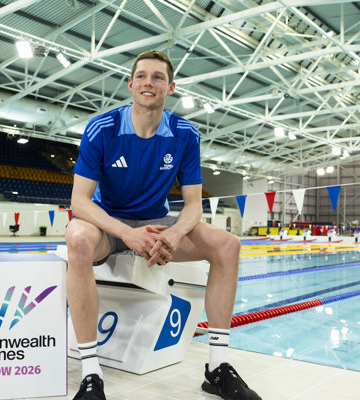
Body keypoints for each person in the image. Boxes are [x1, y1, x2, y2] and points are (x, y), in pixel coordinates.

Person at [65, 49, 261, 400]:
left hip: (157, 224)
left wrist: (172, 234)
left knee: (228, 244)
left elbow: (192, 206)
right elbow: (79, 202)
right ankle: (91, 373)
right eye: (141, 76)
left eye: (157, 77)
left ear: (171, 87)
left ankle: (217, 367)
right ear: (130, 84)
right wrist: (126, 233)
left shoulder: (185, 135)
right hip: (111, 224)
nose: (148, 82)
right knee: (77, 237)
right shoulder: (103, 128)